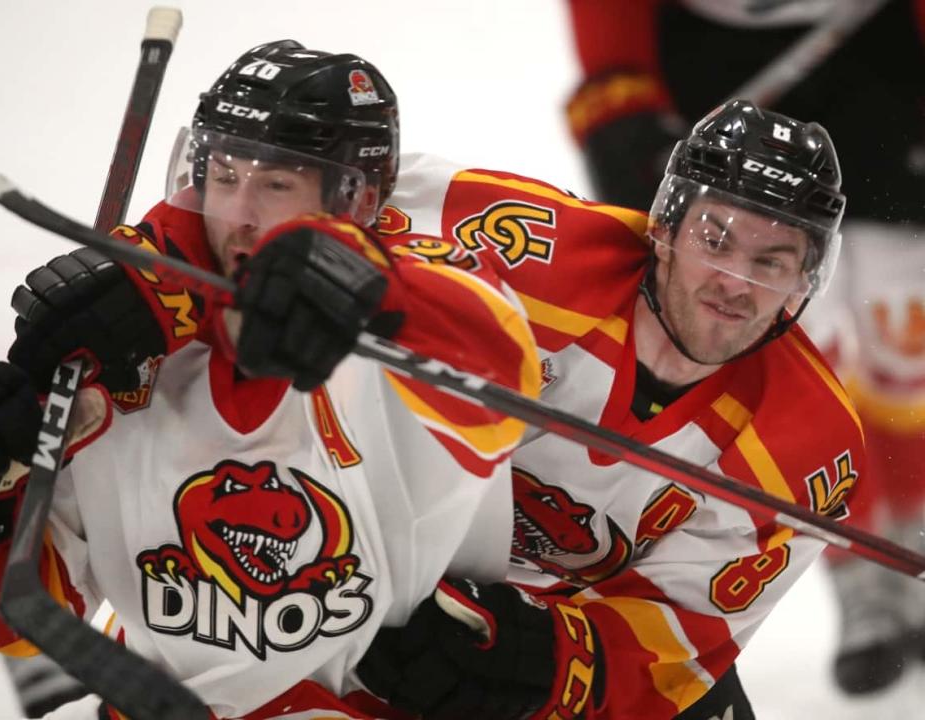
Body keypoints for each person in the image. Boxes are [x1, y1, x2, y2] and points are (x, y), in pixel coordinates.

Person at [0, 40, 540, 719]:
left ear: (355, 199)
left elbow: (503, 366)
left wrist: (353, 277)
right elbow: (18, 619)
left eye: (275, 185)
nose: (238, 213)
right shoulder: (120, 348)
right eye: (225, 175)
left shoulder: (412, 313)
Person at [353, 100, 866, 720]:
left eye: (771, 262)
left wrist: (545, 658)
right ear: (666, 229)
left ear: (805, 279)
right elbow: (319, 189)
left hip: (562, 607)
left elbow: (681, 634)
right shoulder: (529, 242)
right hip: (371, 545)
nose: (735, 283)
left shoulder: (807, 442)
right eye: (716, 240)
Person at [562, 0, 925, 696]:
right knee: (795, 360)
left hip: (887, 87)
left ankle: (911, 541)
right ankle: (862, 584)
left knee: (904, 351)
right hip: (720, 96)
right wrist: (619, 98)